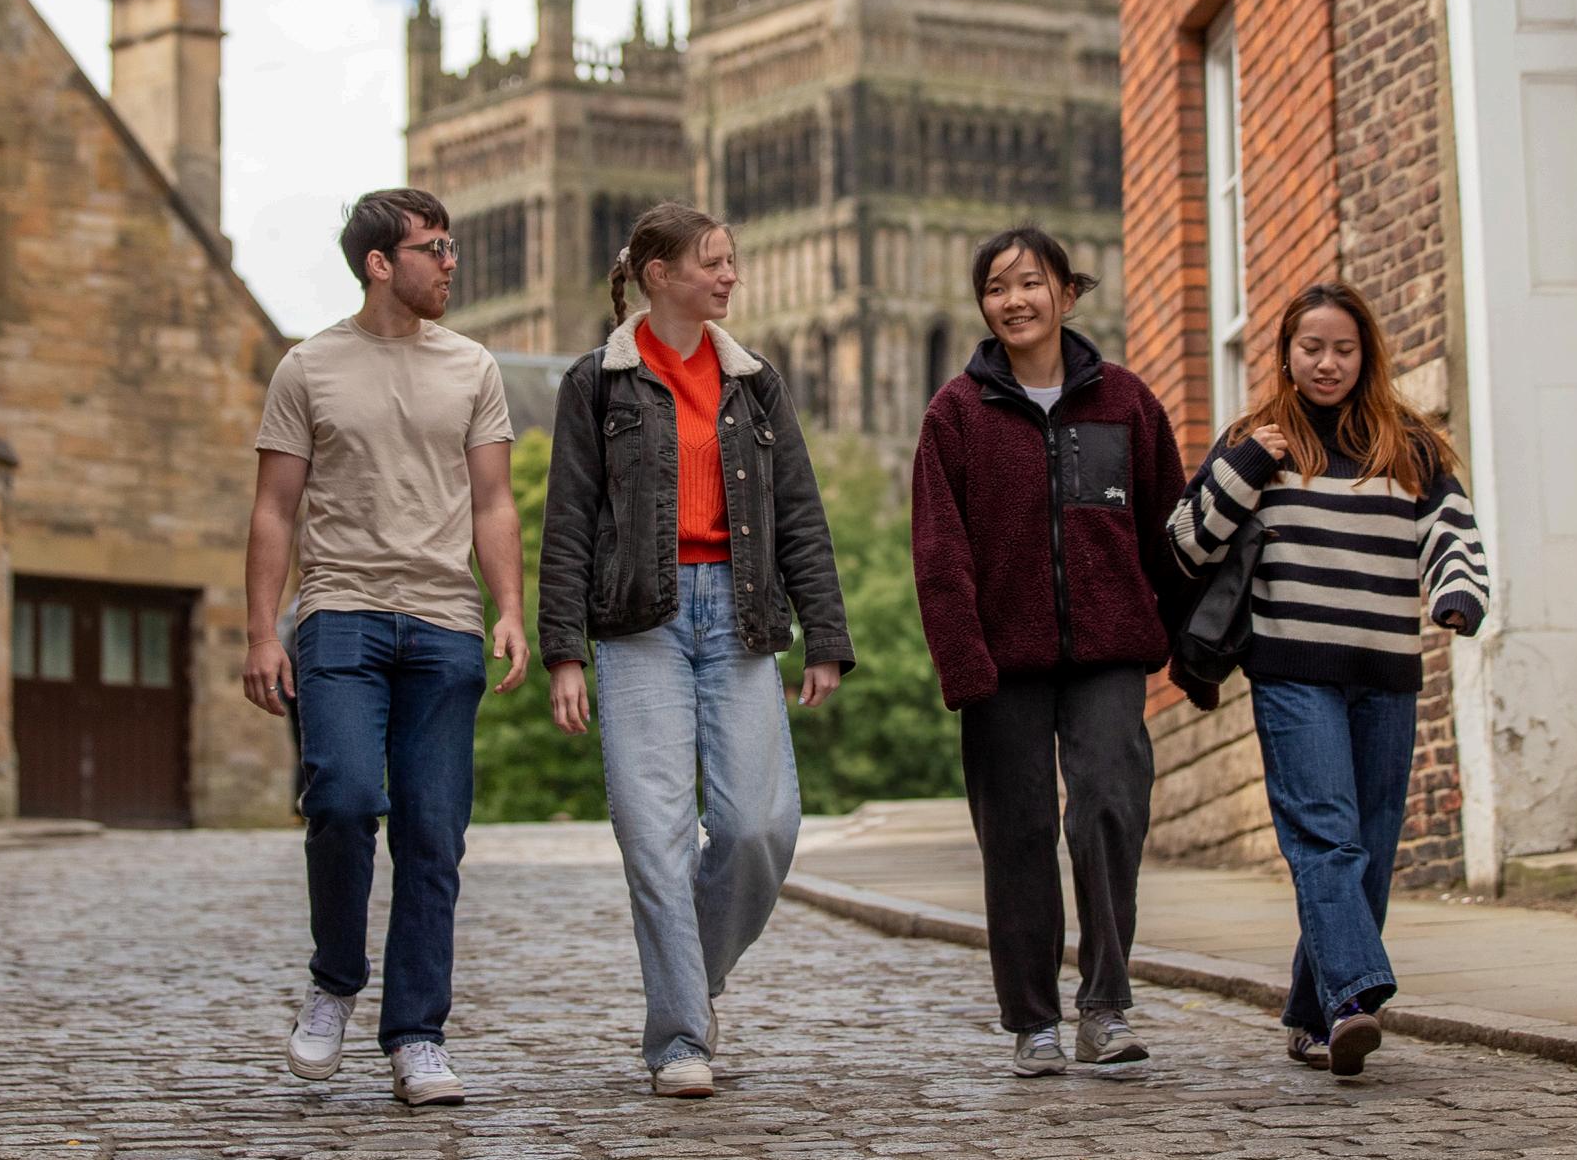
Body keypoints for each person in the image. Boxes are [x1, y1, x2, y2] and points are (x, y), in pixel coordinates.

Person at [539, 202, 851, 1098]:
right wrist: (564, 650)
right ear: (659, 275)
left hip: (741, 616)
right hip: (640, 624)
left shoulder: (756, 383)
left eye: (730, 261)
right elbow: (568, 523)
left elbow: (799, 513)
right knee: (655, 836)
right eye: (712, 262)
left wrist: (825, 637)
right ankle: (680, 1037)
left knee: (759, 827)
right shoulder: (596, 384)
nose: (729, 277)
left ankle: (689, 976)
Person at [244, 187, 527, 1107]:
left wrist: (510, 609)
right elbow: (274, 509)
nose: (450, 263)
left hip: (445, 622)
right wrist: (261, 632)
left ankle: (417, 1036)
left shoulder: (473, 367)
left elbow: (493, 501)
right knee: (341, 798)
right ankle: (334, 981)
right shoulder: (308, 368)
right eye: (432, 248)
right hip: (339, 614)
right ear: (379, 263)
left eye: (451, 246)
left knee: (432, 833)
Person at [1166, 281, 1488, 1078]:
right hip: (1293, 675)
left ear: (1366, 357)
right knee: (1326, 839)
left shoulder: (1409, 448)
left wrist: (1457, 595)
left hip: (1386, 676)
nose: (1327, 363)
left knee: (1370, 849)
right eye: (1311, 348)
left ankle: (1314, 1017)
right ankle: (1355, 998)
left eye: (1343, 349)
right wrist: (1248, 464)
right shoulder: (1255, 442)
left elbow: (1452, 534)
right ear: (1286, 354)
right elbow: (1184, 542)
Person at [910, 227, 1188, 1077]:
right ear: (983, 306)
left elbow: (1169, 532)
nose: (1015, 301)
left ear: (1067, 293)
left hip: (1110, 651)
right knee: (1017, 834)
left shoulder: (1128, 402)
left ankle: (1105, 1006)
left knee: (1108, 807)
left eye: (1031, 283)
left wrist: (1188, 644)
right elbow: (940, 554)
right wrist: (965, 667)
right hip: (1003, 665)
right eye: (997, 288)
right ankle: (1033, 1020)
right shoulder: (956, 414)